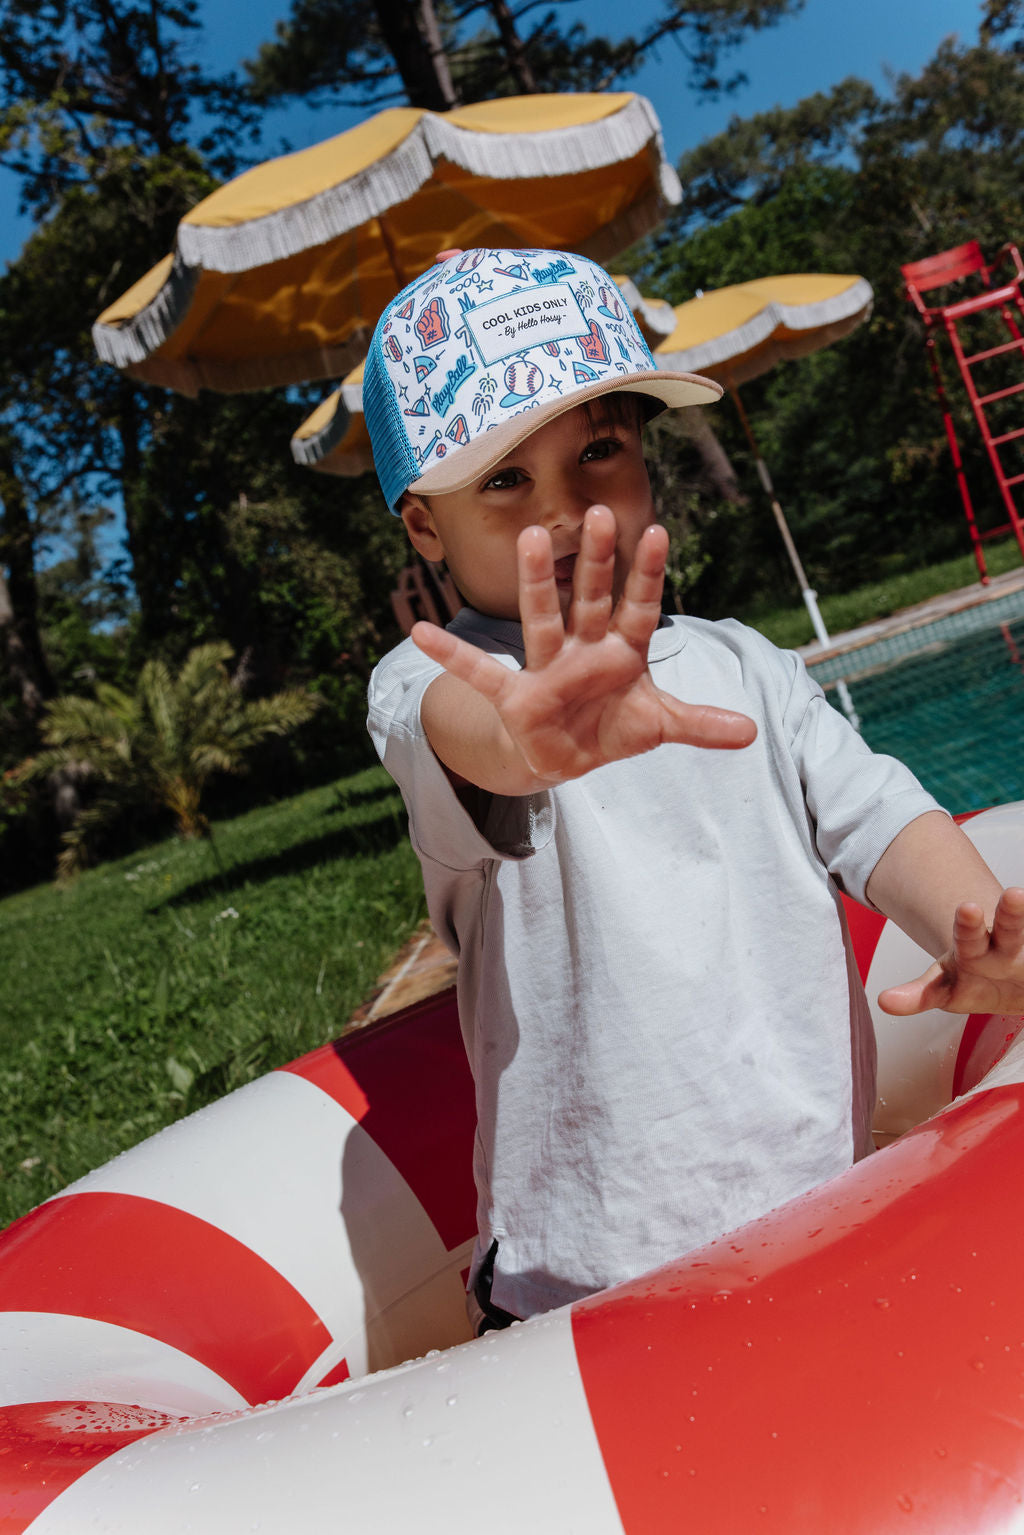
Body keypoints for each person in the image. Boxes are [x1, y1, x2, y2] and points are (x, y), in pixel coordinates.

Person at [364, 246, 1024, 1331]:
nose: (565, 509)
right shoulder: (434, 683)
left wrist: (979, 927)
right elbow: (470, 743)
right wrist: (531, 737)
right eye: (503, 479)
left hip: (826, 1204)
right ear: (425, 525)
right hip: (583, 1290)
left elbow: (881, 814)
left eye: (599, 450)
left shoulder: (744, 666)